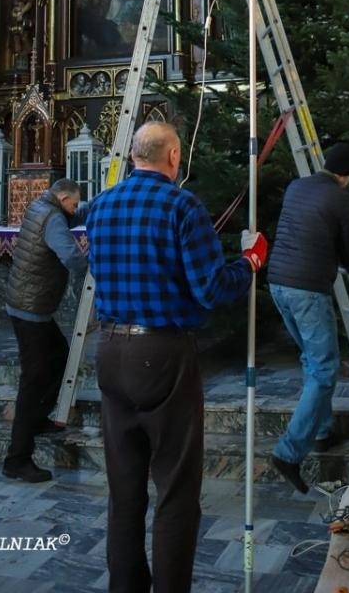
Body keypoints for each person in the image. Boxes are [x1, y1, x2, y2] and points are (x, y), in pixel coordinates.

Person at [85, 121, 268, 593]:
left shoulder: (100, 207)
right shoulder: (182, 204)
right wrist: (249, 263)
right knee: (176, 490)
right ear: (172, 158)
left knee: (124, 491)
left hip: (109, 350)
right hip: (162, 354)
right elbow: (209, 288)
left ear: (132, 157)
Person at [267, 140, 349, 495]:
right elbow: (348, 247)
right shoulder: (342, 199)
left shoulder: (296, 186)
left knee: (312, 359)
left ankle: (322, 432)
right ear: (345, 176)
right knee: (324, 369)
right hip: (308, 289)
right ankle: (288, 453)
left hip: (278, 284)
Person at [3, 177, 88, 483]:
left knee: (60, 356)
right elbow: (72, 259)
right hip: (31, 310)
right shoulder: (53, 219)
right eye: (75, 204)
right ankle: (17, 459)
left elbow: (75, 215)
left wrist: (102, 207)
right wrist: (95, 258)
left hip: (27, 305)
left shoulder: (42, 205)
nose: (76, 209)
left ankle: (39, 419)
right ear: (63, 198)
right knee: (33, 381)